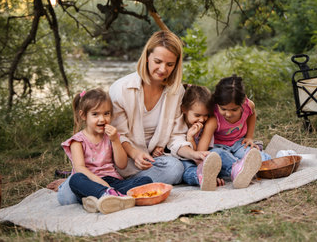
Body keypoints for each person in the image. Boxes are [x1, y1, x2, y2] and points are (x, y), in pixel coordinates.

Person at [108, 30, 210, 185]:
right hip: (125, 159)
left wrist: (193, 154)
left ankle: (124, 184)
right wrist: (135, 154)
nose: (163, 70)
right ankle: (119, 181)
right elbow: (118, 135)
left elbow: (176, 137)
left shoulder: (176, 92)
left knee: (175, 169)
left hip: (155, 161)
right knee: (175, 170)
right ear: (147, 57)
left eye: (170, 64)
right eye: (158, 61)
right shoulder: (121, 89)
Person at [57, 88, 152, 214]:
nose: (102, 119)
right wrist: (103, 186)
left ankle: (106, 199)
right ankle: (108, 196)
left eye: (106, 113)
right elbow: (80, 168)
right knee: (76, 179)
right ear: (83, 115)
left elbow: (122, 164)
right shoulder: (77, 141)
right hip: (90, 183)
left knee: (146, 181)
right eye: (95, 114)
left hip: (113, 182)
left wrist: (115, 141)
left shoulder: (111, 136)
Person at [199, 75, 272, 189]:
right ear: (217, 104)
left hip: (239, 143)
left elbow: (252, 115)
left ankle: (275, 159)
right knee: (217, 155)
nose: (228, 114)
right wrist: (202, 164)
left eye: (234, 109)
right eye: (223, 109)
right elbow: (202, 150)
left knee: (262, 159)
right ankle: (238, 168)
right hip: (219, 146)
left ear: (243, 102)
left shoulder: (248, 106)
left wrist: (249, 137)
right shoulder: (214, 117)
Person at [180, 84, 225, 191]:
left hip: (203, 157)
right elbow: (193, 156)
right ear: (184, 109)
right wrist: (190, 138)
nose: (202, 119)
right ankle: (203, 178)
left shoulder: (207, 124)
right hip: (185, 160)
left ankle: (236, 168)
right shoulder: (179, 124)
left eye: (206, 115)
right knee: (186, 169)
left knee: (219, 152)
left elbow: (201, 152)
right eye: (197, 115)